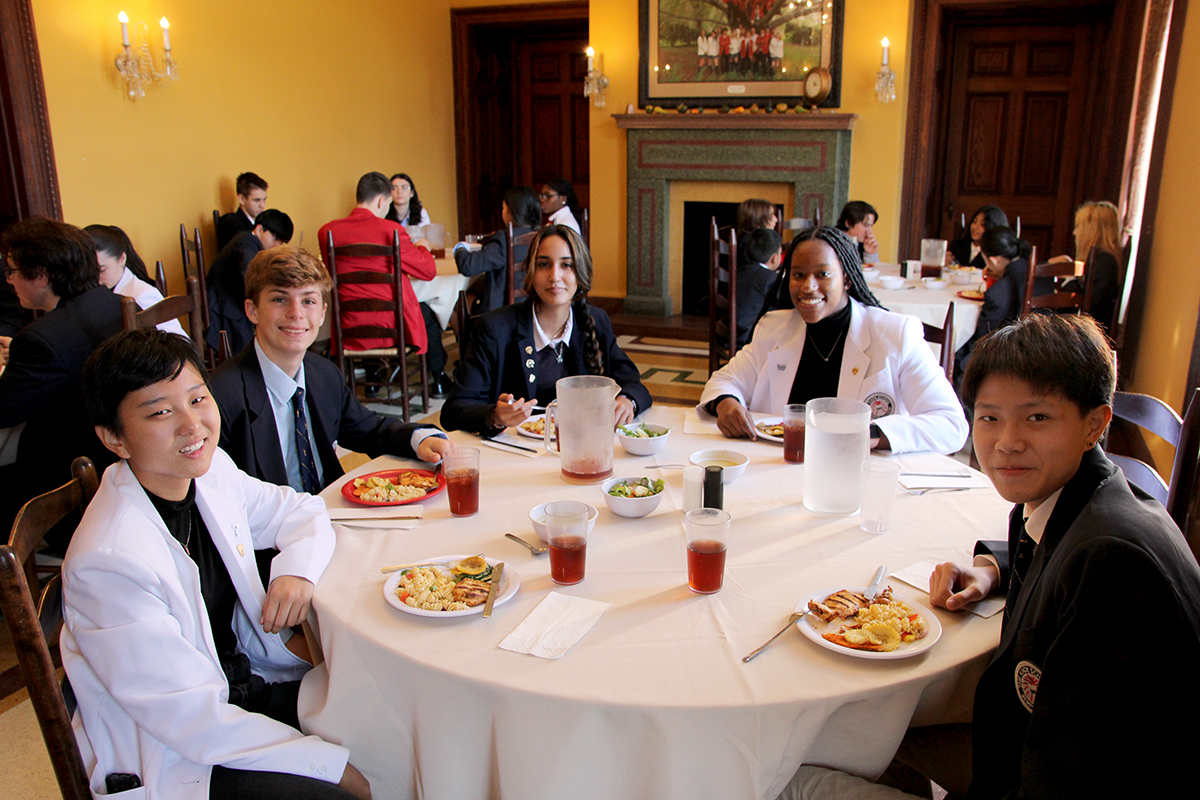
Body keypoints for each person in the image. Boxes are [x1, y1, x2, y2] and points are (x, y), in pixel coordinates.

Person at [778, 314, 1200, 800]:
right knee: (860, 739)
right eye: (989, 417)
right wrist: (992, 567)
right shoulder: (1076, 504)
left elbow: (1075, 778)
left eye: (1037, 417)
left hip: (1049, 775)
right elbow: (1058, 549)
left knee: (792, 779)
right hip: (1015, 745)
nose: (1007, 442)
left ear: (1095, 423)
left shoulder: (1113, 567)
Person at [63, 329, 372, 800]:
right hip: (180, 749)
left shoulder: (208, 473)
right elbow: (190, 719)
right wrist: (326, 765)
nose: (193, 426)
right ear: (114, 439)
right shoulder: (107, 562)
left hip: (242, 686)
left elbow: (301, 510)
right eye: (161, 412)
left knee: (387, 709)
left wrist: (295, 572)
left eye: (197, 398)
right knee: (344, 785)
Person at [699, 226, 967, 455]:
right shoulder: (774, 328)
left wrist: (867, 432)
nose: (807, 287)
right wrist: (726, 403)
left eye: (823, 274)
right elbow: (724, 381)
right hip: (777, 467)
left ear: (847, 278)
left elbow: (951, 424)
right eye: (798, 275)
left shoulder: (895, 334)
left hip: (855, 474)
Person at [212, 245, 451, 493]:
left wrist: (420, 439)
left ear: (323, 313)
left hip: (331, 511)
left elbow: (370, 430)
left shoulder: (323, 373)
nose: (296, 313)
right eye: (279, 299)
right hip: (269, 527)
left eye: (308, 301)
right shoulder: (223, 396)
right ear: (252, 310)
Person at [442, 225, 651, 435]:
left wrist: (627, 401)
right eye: (544, 264)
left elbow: (634, 385)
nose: (554, 276)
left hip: (584, 446)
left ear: (581, 273)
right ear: (531, 272)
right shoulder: (495, 328)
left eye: (566, 265)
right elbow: (453, 411)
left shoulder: (595, 320)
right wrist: (494, 416)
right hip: (517, 455)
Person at [0, 217, 124, 549]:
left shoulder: (42, 340)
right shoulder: (111, 302)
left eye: (12, 271)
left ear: (41, 275)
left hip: (71, 480)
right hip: (116, 457)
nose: (9, 280)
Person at [319, 172, 436, 355]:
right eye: (389, 204)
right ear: (382, 201)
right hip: (391, 330)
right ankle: (437, 376)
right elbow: (428, 271)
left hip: (348, 327)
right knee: (430, 313)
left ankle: (373, 377)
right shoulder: (392, 231)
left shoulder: (327, 232)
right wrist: (423, 248)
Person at [953, 226, 1051, 385]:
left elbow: (983, 340)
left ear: (993, 260)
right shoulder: (1044, 274)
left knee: (958, 351)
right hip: (1049, 352)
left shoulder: (997, 293)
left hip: (1011, 360)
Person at [205, 209, 294, 354]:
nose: (277, 245)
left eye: (282, 242)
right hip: (227, 310)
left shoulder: (244, 239)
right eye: (275, 238)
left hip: (223, 302)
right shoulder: (247, 244)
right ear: (259, 229)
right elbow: (248, 276)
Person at [86, 223, 186, 337]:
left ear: (122, 259)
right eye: (89, 271)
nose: (95, 278)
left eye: (102, 270)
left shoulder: (142, 296)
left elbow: (179, 344)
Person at [453, 185, 540, 315]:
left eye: (503, 208)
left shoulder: (505, 239)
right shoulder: (543, 236)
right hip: (537, 309)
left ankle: (471, 335)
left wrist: (460, 248)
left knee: (457, 301)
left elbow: (468, 266)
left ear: (512, 213)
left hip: (505, 313)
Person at [1049, 199, 1122, 331]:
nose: (1074, 232)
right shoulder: (1103, 260)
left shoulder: (1105, 262)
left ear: (1092, 230)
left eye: (1078, 226)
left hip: (1084, 335)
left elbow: (1086, 308)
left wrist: (1069, 276)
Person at [735, 227, 783, 349]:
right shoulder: (769, 278)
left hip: (734, 331)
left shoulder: (741, 270)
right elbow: (784, 300)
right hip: (748, 335)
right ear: (774, 258)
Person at [216, 171, 269, 251]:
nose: (262, 205)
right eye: (256, 200)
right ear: (242, 199)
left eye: (264, 200)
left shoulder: (263, 223)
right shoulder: (231, 224)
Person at [946, 204, 1008, 269]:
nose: (975, 227)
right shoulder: (958, 245)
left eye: (982, 224)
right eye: (974, 222)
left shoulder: (995, 254)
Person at [836, 200, 880, 265]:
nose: (870, 231)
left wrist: (870, 254)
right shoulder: (832, 242)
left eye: (871, 226)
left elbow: (870, 271)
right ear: (849, 223)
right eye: (866, 226)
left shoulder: (861, 244)